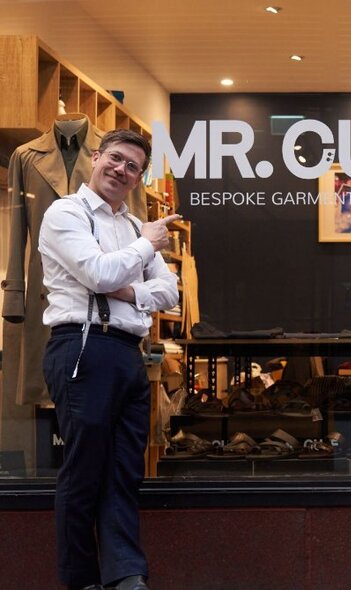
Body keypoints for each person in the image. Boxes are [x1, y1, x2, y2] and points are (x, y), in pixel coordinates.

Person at [39, 129, 180, 590]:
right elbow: (96, 272)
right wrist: (145, 247)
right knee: (83, 471)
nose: (121, 170)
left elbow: (169, 292)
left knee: (123, 471)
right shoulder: (66, 213)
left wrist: (125, 287)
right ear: (96, 158)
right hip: (82, 346)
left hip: (126, 353)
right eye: (115, 159)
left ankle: (124, 574)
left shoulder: (133, 226)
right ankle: (81, 580)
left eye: (132, 167)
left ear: (139, 179)